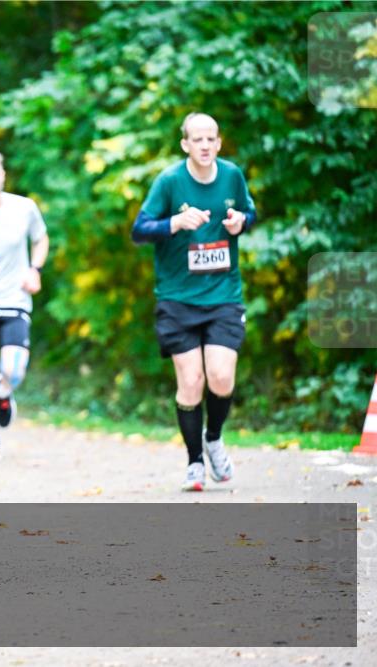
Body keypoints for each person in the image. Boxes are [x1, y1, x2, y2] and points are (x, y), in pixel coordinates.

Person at [131, 112, 257, 492]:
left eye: (211, 139)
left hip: (223, 296)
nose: (205, 146)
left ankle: (214, 437)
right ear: (185, 144)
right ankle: (194, 463)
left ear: (219, 143)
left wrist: (240, 222)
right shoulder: (169, 181)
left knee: (220, 377)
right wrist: (174, 224)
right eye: (197, 140)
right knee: (191, 381)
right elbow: (139, 230)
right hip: (177, 298)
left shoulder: (232, 174)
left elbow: (250, 213)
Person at [0, 149, 48, 461]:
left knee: (12, 371)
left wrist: (35, 270)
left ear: (3, 175)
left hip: (15, 300)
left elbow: (41, 239)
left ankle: (5, 394)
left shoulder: (24, 208)